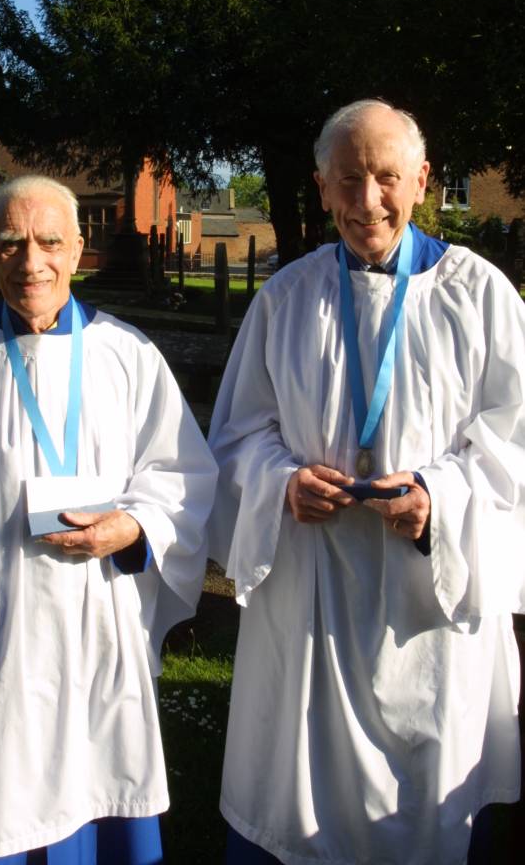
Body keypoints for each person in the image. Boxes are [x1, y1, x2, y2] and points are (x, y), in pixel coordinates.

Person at [0, 175, 218, 864]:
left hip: (99, 629)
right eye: (11, 244)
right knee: (4, 805)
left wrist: (133, 527)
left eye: (50, 241)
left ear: (79, 247)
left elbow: (182, 480)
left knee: (101, 790)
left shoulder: (128, 356)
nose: (32, 262)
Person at [208, 99, 525, 865]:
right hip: (310, 588)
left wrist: (438, 499)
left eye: (386, 178)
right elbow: (237, 438)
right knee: (298, 782)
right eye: (348, 180)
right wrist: (282, 483)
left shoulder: (479, 296)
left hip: (428, 608)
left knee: (430, 804)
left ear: (422, 181)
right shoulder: (285, 300)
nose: (368, 201)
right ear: (321, 187)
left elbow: (513, 444)